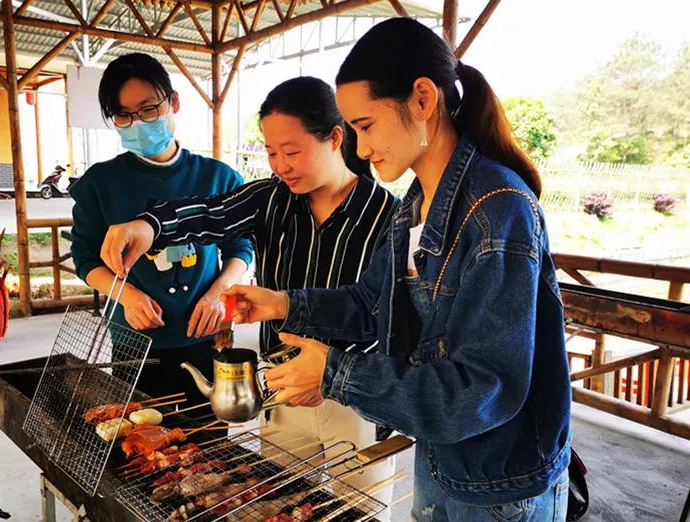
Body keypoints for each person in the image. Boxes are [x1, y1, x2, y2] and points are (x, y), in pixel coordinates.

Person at [219, 18, 571, 522]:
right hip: (440, 454)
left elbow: (482, 389)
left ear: (423, 100)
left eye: (364, 126)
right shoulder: (414, 206)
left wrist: (337, 374)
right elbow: (371, 304)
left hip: (499, 482)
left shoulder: (497, 210)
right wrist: (283, 303)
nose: (360, 151)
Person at [97, 76, 399, 512]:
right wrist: (150, 226)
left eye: (291, 152)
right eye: (272, 152)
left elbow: (385, 317)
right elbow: (209, 212)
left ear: (335, 138)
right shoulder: (271, 199)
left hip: (356, 399)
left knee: (358, 514)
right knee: (276, 505)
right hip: (281, 388)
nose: (280, 165)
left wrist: (334, 372)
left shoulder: (385, 216)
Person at [69, 53, 253, 413]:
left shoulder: (218, 177)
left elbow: (241, 248)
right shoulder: (100, 183)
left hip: (205, 332)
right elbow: (85, 258)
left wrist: (218, 292)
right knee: (141, 442)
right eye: (123, 115)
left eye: (148, 109)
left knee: (209, 443)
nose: (137, 123)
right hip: (134, 341)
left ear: (174, 103)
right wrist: (126, 296)